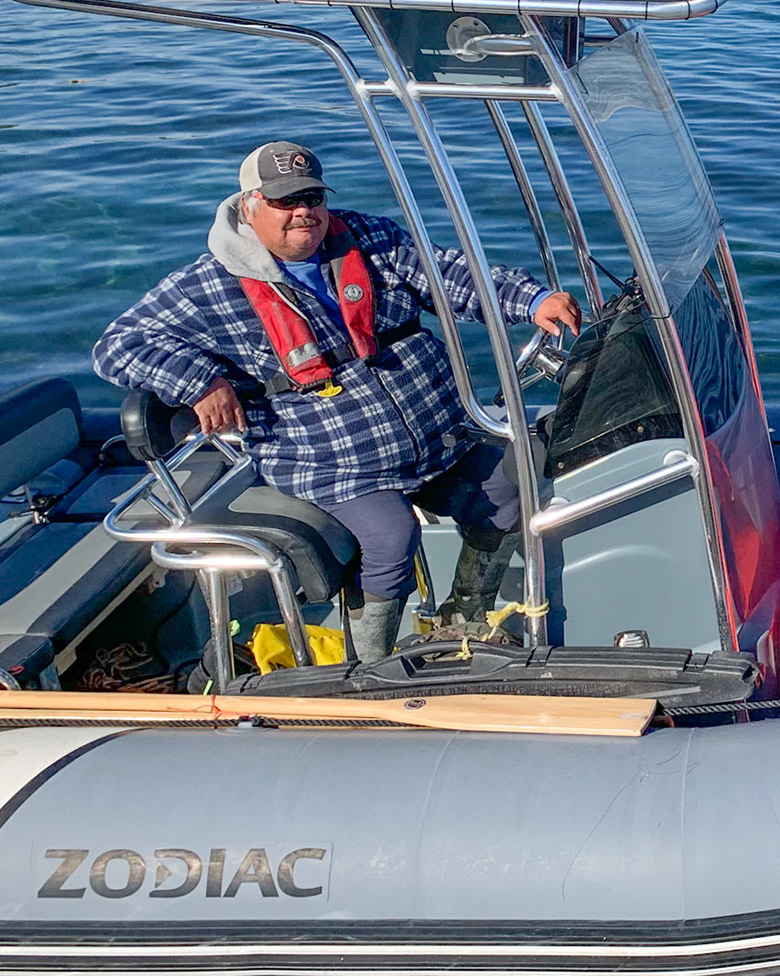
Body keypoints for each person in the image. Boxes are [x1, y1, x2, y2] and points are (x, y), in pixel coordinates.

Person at [92, 140, 580, 663]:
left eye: (311, 197)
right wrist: (200, 382)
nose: (303, 211)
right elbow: (117, 346)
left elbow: (449, 275)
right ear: (249, 207)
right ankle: (370, 665)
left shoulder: (368, 238)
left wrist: (530, 298)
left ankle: (464, 621)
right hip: (332, 463)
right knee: (393, 537)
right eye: (285, 201)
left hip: (437, 440)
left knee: (511, 488)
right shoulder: (206, 285)